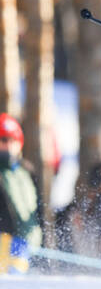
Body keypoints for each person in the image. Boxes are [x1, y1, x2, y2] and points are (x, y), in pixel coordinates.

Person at [0, 113, 42, 274]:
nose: (9, 145)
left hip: (31, 248)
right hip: (4, 248)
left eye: (13, 140)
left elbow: (40, 211)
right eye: (3, 140)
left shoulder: (28, 170)